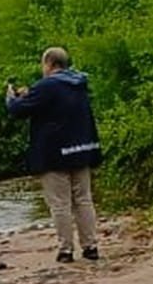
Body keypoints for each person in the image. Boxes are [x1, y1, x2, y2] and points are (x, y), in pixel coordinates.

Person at [6, 46, 104, 263]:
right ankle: (90, 246)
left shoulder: (48, 85)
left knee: (60, 204)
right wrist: (30, 94)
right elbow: (51, 103)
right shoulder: (79, 83)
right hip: (82, 150)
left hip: (54, 154)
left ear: (49, 63)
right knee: (84, 200)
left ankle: (66, 250)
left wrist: (11, 98)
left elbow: (18, 111)